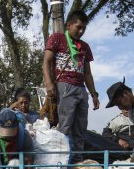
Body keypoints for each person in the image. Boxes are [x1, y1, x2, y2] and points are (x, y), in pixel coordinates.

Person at [43, 10, 100, 157]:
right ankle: (62, 161)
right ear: (68, 25)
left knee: (81, 127)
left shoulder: (85, 46)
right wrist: (49, 84)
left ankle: (77, 160)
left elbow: (87, 73)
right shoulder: (57, 38)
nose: (81, 31)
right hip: (64, 85)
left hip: (81, 88)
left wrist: (94, 94)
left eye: (84, 28)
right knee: (65, 125)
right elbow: (46, 62)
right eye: (78, 27)